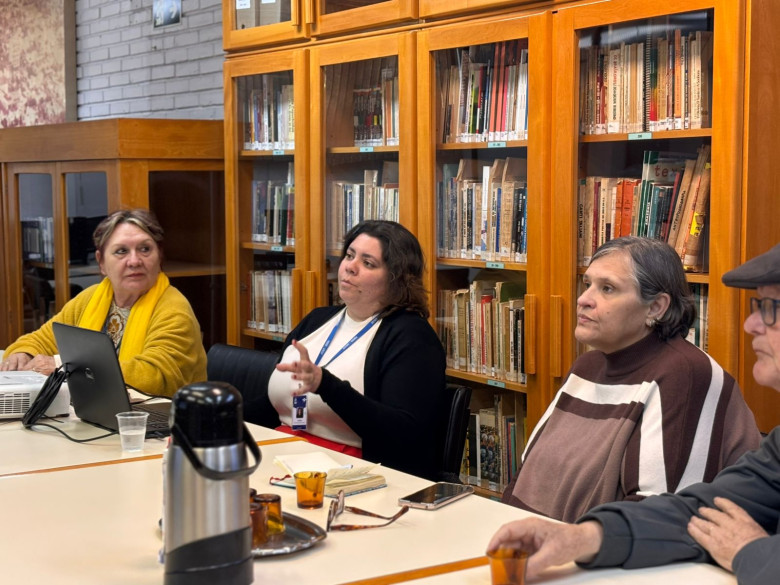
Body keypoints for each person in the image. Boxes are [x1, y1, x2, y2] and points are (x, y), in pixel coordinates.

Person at [488, 242, 780, 585]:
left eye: (770, 308)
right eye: (588, 284)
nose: (750, 324)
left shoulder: (685, 372)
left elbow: (672, 508)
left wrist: (750, 552)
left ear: (656, 307)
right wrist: (580, 538)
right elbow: (691, 513)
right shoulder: (587, 364)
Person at [266, 220, 447, 480]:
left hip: (359, 473)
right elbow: (273, 402)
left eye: (368, 263)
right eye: (350, 255)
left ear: (396, 279)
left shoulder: (411, 337)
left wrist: (325, 385)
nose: (350, 267)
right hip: (287, 453)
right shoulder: (317, 319)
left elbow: (404, 433)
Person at [0, 209, 207, 397]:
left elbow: (154, 376)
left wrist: (63, 365)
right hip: (103, 411)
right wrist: (23, 353)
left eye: (145, 249)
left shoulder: (174, 309)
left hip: (163, 420)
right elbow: (43, 339)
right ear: (101, 262)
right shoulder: (90, 298)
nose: (135, 261)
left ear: (159, 256)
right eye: (121, 251)